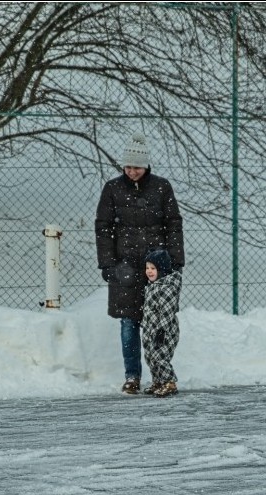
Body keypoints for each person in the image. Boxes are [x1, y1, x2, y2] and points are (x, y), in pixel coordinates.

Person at [95, 133, 185, 394]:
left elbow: (173, 224)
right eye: (127, 167)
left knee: (160, 323)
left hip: (157, 266)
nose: (131, 171)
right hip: (125, 267)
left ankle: (162, 375)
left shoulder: (161, 187)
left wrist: (174, 261)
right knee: (128, 321)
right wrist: (108, 264)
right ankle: (132, 375)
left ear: (146, 166)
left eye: (136, 167)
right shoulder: (113, 189)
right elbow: (103, 227)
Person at [140, 249, 183, 397]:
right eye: (147, 268)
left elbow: (166, 311)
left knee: (160, 356)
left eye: (153, 268)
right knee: (150, 356)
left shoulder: (167, 288)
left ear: (162, 269)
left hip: (165, 329)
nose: (149, 272)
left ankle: (169, 382)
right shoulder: (153, 285)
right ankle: (158, 381)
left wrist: (161, 330)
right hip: (150, 328)